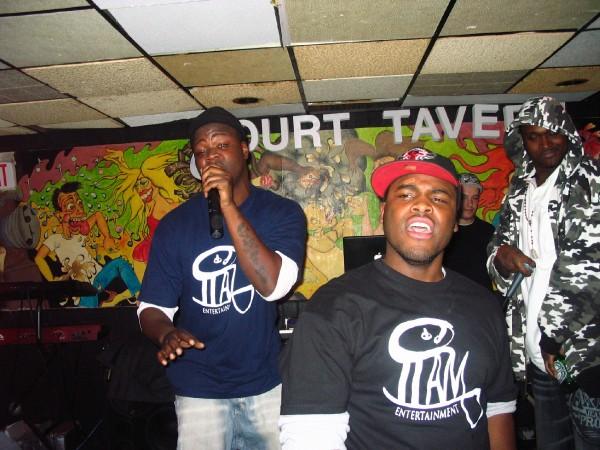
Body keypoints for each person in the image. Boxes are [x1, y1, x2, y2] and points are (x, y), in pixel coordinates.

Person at [280, 148, 517, 450]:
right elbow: (310, 436)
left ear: (455, 221)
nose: (422, 205)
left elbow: (498, 410)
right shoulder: (333, 308)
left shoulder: (484, 306)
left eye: (439, 198)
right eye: (405, 195)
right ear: (382, 214)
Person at [137, 106, 307, 449]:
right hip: (198, 389)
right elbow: (150, 308)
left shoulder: (282, 213)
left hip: (264, 383)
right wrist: (166, 333)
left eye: (221, 145)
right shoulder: (175, 226)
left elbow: (273, 286)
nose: (210, 156)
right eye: (201, 151)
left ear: (244, 150)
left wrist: (227, 206)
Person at [487, 96, 600, 449]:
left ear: (567, 133)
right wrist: (502, 257)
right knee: (553, 440)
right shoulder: (520, 189)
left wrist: (554, 339)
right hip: (538, 351)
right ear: (522, 141)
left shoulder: (589, 180)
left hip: (577, 351)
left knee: (589, 435)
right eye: (533, 136)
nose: (545, 143)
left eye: (552, 133)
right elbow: (497, 245)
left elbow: (587, 268)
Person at [34, 181, 141, 307]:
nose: (79, 210)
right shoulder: (55, 239)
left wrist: (107, 237)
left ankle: (140, 295)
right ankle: (100, 301)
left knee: (120, 264)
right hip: (84, 287)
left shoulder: (80, 233)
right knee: (89, 303)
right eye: (71, 207)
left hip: (100, 278)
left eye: (80, 204)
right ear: (59, 215)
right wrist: (52, 281)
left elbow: (97, 216)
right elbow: (38, 258)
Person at [444, 173, 495, 290]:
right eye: (464, 198)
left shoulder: (488, 231)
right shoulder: (443, 231)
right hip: (448, 297)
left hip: (481, 298)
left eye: (474, 198)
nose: (470, 204)